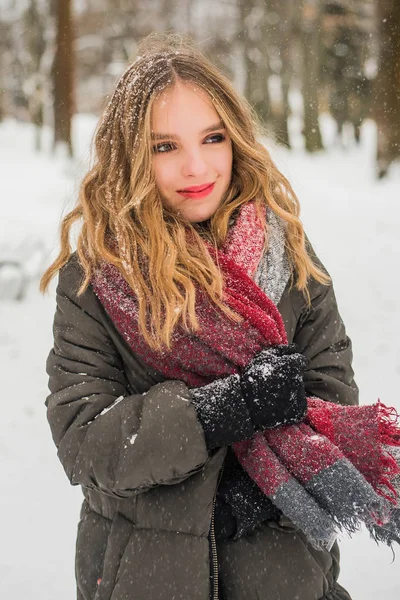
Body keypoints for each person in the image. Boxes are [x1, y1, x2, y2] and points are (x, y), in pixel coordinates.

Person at [41, 34, 359, 600]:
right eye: (165, 146)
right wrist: (216, 413)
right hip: (145, 576)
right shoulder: (98, 275)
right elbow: (85, 438)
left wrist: (257, 493)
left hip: (282, 571)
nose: (196, 166)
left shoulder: (287, 259)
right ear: (132, 156)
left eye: (212, 137)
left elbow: (330, 397)